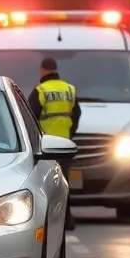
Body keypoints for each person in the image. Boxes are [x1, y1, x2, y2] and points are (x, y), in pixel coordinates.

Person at [29, 57, 81, 231]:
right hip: (64, 145)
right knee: (63, 183)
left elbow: (31, 117)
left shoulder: (40, 91)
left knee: (45, 185)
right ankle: (67, 219)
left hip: (45, 147)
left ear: (42, 70)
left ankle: (47, 220)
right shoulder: (69, 89)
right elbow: (76, 114)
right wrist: (69, 133)